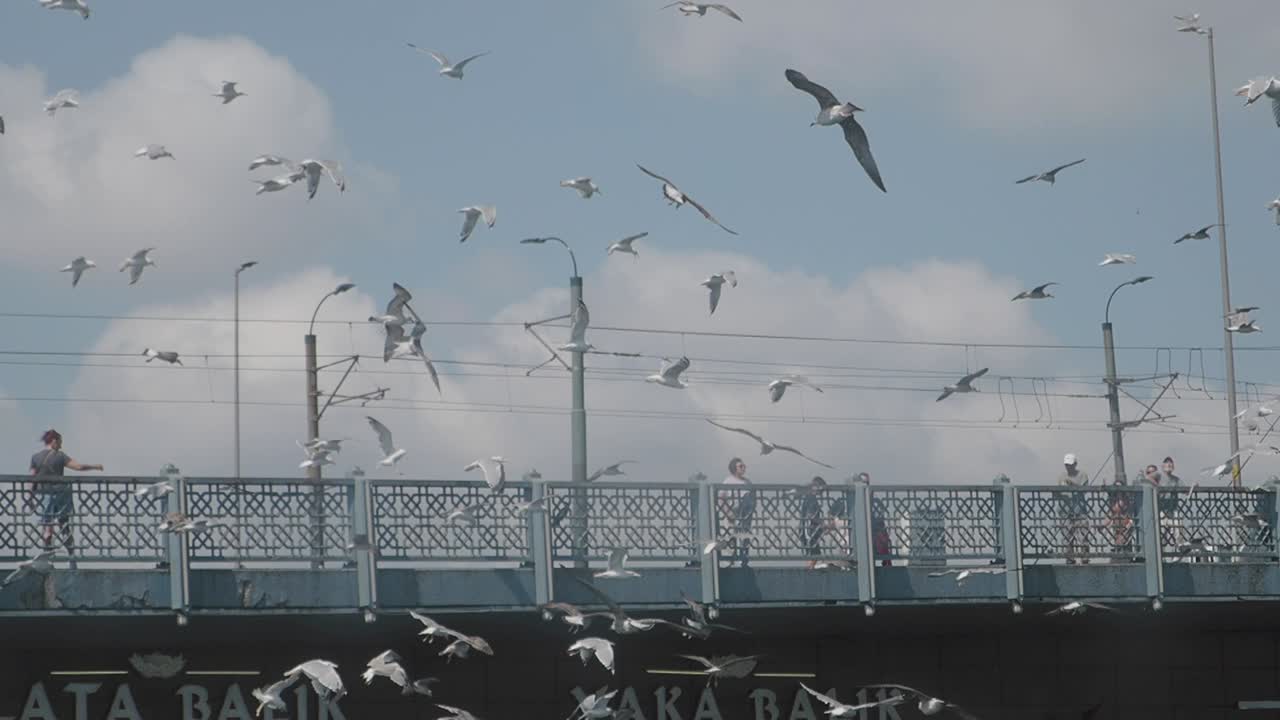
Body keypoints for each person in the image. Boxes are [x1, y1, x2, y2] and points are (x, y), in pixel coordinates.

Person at [28, 429, 104, 557]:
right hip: (61, 495)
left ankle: (47, 556)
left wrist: (30, 498)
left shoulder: (36, 457)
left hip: (45, 495)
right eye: (60, 442)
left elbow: (32, 479)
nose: (61, 446)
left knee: (48, 527)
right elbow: (78, 467)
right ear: (54, 441)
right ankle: (71, 556)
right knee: (64, 526)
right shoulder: (60, 456)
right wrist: (95, 467)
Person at [719, 458, 755, 568]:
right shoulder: (728, 481)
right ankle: (730, 561)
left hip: (745, 514)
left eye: (744, 466)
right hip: (731, 513)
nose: (743, 468)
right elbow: (721, 498)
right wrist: (727, 512)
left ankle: (744, 560)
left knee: (745, 536)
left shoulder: (748, 482)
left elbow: (753, 496)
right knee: (730, 536)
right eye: (741, 466)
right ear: (734, 468)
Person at [1056, 453, 1090, 564]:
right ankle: (1069, 558)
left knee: (1083, 535)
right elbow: (1058, 492)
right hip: (1065, 511)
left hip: (1080, 510)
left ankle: (1085, 557)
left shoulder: (1083, 475)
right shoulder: (1061, 476)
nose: (1068, 467)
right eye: (1067, 465)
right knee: (1067, 536)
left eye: (1070, 465)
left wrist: (1073, 484)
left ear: (1075, 464)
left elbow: (1084, 490)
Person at [799, 476, 828, 568]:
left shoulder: (808, 497)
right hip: (809, 531)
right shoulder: (811, 498)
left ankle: (809, 570)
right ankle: (809, 571)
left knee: (813, 554)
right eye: (822, 489)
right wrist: (822, 524)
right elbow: (811, 515)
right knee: (814, 554)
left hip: (807, 531)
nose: (822, 492)